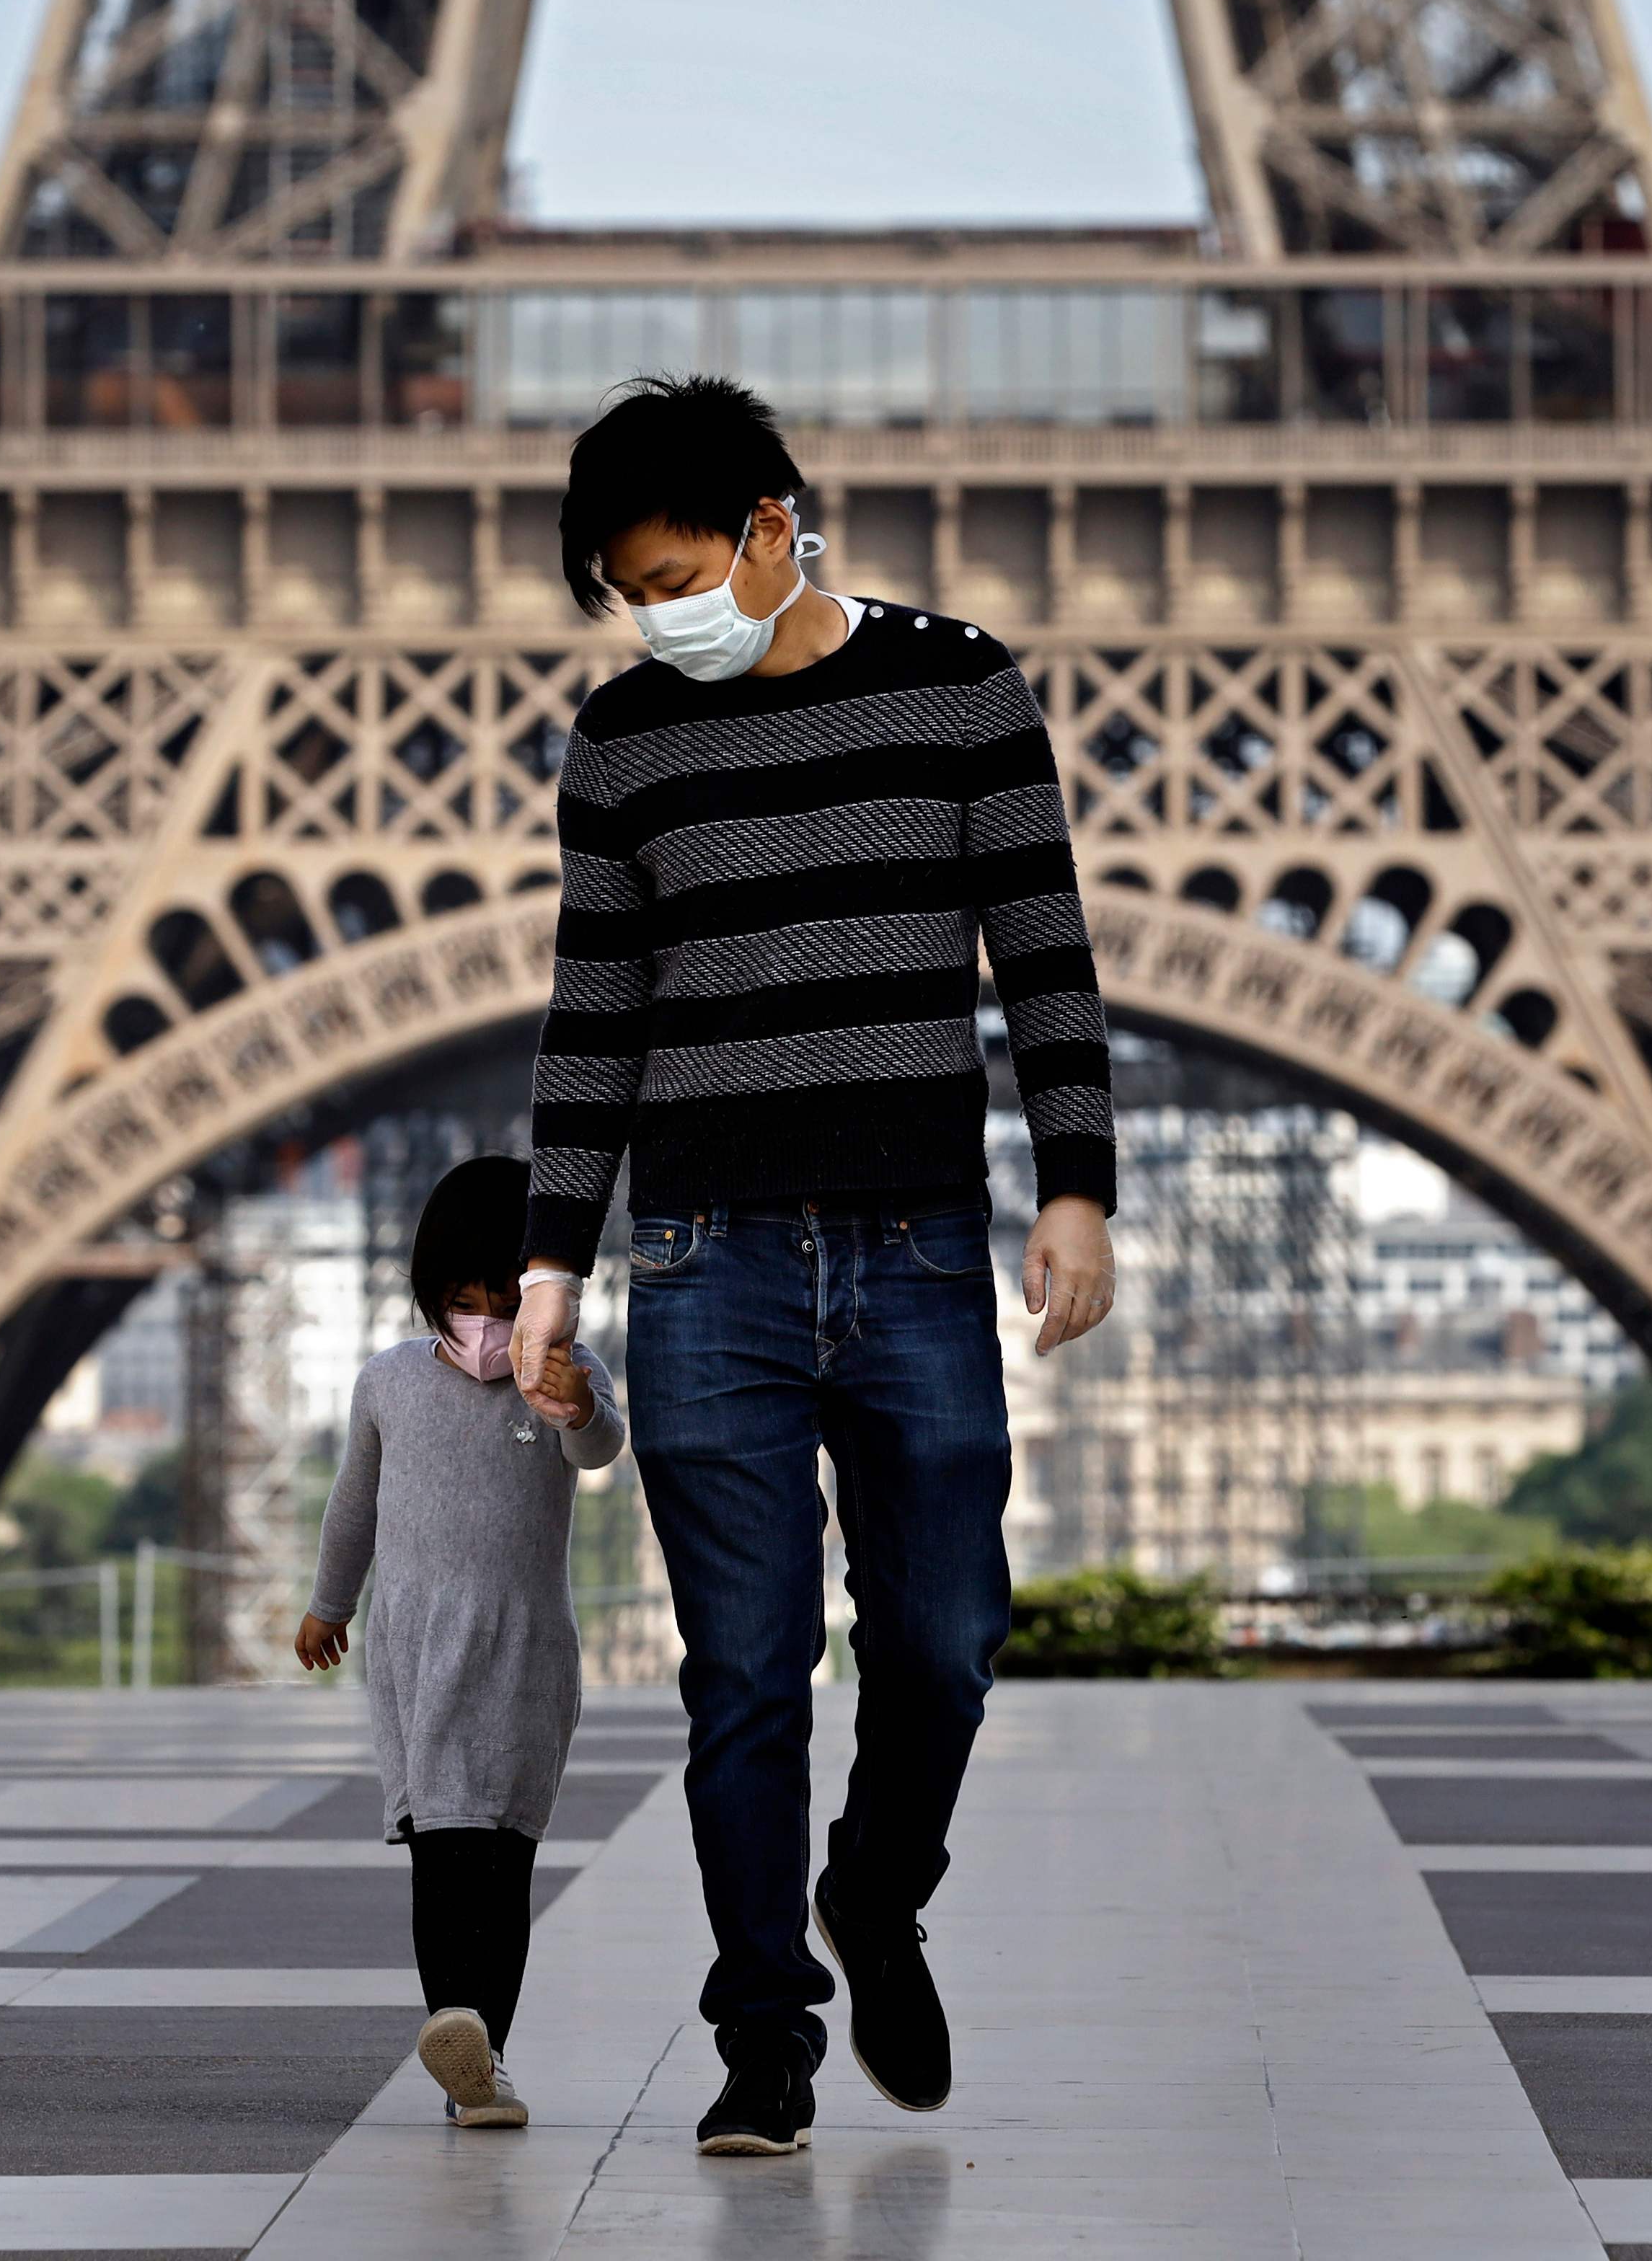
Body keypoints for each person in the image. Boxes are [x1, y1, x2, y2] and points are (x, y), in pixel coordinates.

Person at [506, 374, 1118, 2159]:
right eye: (631, 591)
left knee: (941, 1642)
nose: (657, 614)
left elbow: (1046, 958)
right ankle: (762, 2029)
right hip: (703, 1260)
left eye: (680, 571)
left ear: (777, 528)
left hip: (921, 1243)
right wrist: (551, 1269)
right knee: (744, 1672)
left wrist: (1073, 1191)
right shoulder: (622, 744)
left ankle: (876, 1887)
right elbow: (591, 1018)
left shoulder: (958, 685)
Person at [298, 1153, 628, 2133]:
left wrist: (572, 1401)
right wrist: (328, 1602)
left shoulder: (569, 1374)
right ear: (432, 1290)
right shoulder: (388, 1381)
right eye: (463, 1294)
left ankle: (486, 2052)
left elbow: (600, 1445)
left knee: (506, 1860)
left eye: (501, 1292)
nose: (484, 1314)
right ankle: (458, 2023)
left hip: (527, 1651)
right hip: (417, 1651)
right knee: (443, 1850)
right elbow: (352, 1505)